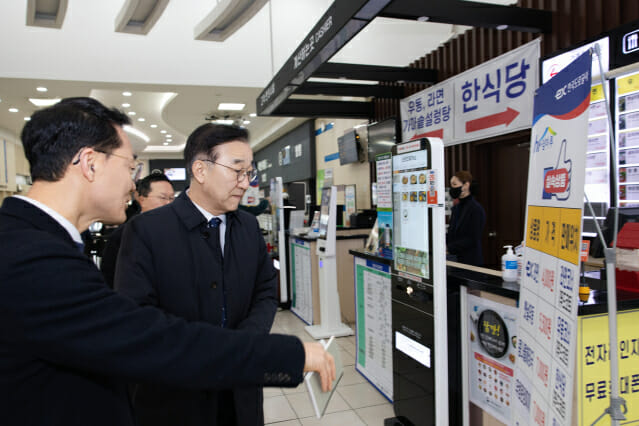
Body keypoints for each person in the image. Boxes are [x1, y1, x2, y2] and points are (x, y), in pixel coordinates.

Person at [0, 97, 335, 426]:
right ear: (90, 163)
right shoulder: (31, 259)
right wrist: (290, 354)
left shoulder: (35, 242)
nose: (133, 183)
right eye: (129, 167)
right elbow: (147, 338)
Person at [115, 123, 277, 425]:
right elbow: (136, 315)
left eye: (249, 173)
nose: (245, 183)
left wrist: (245, 341)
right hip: (176, 394)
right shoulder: (147, 231)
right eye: (237, 171)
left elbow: (266, 289)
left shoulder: (248, 227)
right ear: (200, 170)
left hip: (241, 389)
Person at [101, 171, 175, 287]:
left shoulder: (177, 231)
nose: (168, 203)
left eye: (171, 198)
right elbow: (110, 276)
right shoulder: (124, 234)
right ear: (142, 199)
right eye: (163, 197)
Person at [446, 170, 486, 266]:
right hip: (454, 260)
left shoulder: (476, 209)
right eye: (451, 185)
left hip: (470, 261)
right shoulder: (456, 208)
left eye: (454, 184)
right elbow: (452, 233)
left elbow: (472, 238)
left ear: (466, 185)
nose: (452, 188)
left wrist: (448, 248)